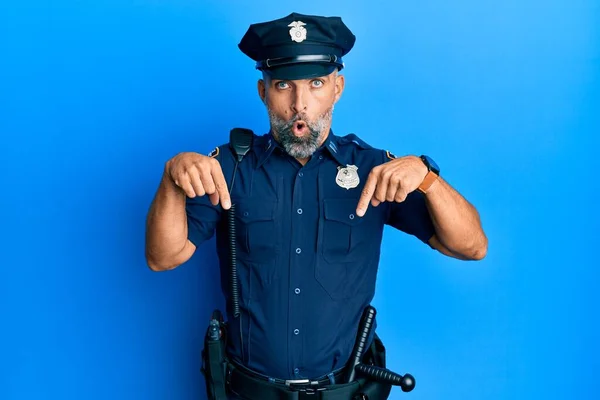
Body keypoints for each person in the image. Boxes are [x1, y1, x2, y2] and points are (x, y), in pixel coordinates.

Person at [145, 12, 487, 400]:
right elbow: (163, 257)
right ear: (263, 92)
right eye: (283, 85)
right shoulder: (227, 167)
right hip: (249, 393)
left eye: (316, 84)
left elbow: (471, 246)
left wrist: (429, 179)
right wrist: (171, 179)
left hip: (345, 392)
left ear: (337, 88)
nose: (299, 105)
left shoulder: (374, 169)